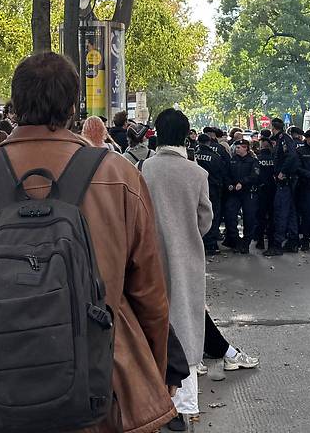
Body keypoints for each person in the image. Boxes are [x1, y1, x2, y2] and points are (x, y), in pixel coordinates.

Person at [0, 52, 176, 432]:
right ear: (73, 106)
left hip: (0, 390)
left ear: (15, 106)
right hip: (99, 389)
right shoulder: (119, 176)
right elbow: (150, 297)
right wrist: (152, 374)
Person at [140, 108, 212, 430]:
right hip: (186, 259)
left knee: (154, 323)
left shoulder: (144, 169)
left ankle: (157, 403)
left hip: (150, 258)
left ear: (157, 133)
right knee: (186, 324)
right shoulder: (197, 173)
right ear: (185, 135)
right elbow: (205, 220)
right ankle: (186, 406)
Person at [265, 118, 300, 256]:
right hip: (288, 181)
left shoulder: (283, 139)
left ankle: (277, 244)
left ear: (273, 127)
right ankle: (292, 242)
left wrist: (282, 172)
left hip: (285, 181)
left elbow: (291, 156)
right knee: (290, 212)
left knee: (281, 212)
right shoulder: (283, 138)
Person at [224, 139, 261, 254]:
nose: (236, 149)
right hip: (235, 193)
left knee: (249, 219)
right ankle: (236, 241)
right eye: (236, 147)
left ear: (245, 148)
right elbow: (226, 174)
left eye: (239, 147)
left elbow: (255, 176)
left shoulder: (253, 161)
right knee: (230, 216)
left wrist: (243, 182)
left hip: (248, 193)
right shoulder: (232, 160)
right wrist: (229, 184)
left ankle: (246, 243)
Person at [195, 132, 228, 256]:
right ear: (209, 142)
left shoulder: (193, 155)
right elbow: (222, 172)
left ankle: (199, 242)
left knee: (196, 215)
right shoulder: (215, 156)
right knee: (212, 215)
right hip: (213, 189)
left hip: (196, 189)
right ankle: (211, 245)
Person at [254, 135, 276, 251]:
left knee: (260, 217)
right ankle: (271, 242)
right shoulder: (275, 159)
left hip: (261, 191)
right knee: (272, 217)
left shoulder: (257, 159)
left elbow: (255, 175)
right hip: (273, 191)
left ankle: (260, 241)